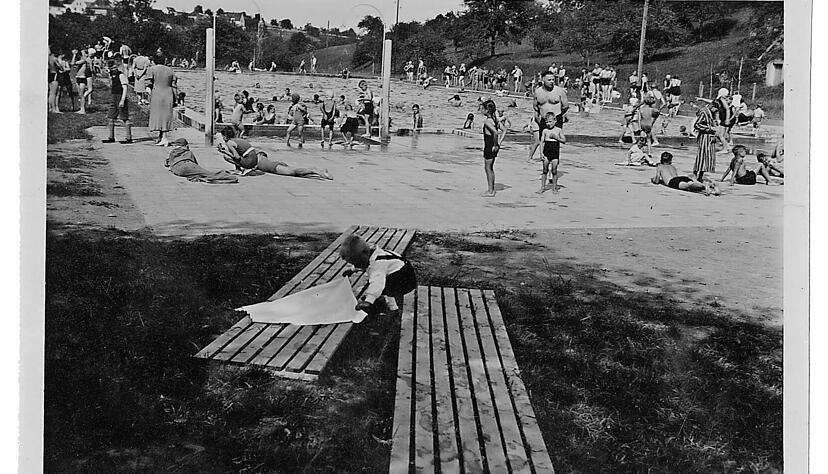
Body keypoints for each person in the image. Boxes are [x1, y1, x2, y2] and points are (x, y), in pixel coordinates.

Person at [340, 233, 417, 314]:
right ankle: (390, 304)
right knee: (381, 283)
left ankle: (391, 307)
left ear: (365, 254)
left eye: (356, 263)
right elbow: (363, 264)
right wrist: (352, 270)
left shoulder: (378, 264)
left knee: (380, 286)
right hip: (399, 271)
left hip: (405, 280)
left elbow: (377, 283)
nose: (356, 265)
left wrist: (369, 300)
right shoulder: (371, 254)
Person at [217, 127, 332, 179]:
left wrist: (225, 152)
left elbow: (237, 157)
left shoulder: (230, 143)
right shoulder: (237, 140)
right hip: (260, 158)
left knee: (291, 172)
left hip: (259, 162)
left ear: (225, 136)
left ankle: (314, 170)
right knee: (291, 171)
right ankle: (314, 172)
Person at [165, 138, 239, 184]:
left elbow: (167, 162)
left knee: (204, 174)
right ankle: (229, 177)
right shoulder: (188, 152)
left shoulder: (172, 153)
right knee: (208, 174)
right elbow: (194, 163)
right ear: (186, 146)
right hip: (188, 166)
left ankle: (224, 175)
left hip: (177, 170)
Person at [652, 152, 720, 195]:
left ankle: (705, 186)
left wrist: (654, 180)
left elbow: (657, 181)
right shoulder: (672, 167)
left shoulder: (659, 166)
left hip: (672, 182)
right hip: (680, 178)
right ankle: (709, 185)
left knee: (688, 186)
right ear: (670, 160)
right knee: (691, 183)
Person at [101, 54, 133, 144]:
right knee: (111, 117)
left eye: (114, 67)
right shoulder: (112, 76)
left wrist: (122, 100)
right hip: (114, 96)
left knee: (124, 117)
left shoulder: (121, 75)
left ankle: (129, 137)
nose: (112, 69)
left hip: (120, 96)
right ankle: (111, 137)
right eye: (111, 68)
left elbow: (125, 88)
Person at [147, 54, 178, 146]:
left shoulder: (152, 69)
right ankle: (161, 137)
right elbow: (174, 85)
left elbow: (148, 84)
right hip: (168, 93)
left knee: (158, 115)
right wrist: (175, 98)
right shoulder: (170, 70)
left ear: (154, 61)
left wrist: (149, 94)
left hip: (157, 93)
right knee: (165, 115)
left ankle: (164, 138)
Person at [533, 70, 569, 145]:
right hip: (544, 119)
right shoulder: (538, 91)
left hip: (556, 118)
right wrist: (540, 115)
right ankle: (542, 153)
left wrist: (557, 115)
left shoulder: (559, 91)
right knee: (543, 140)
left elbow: (566, 106)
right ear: (543, 80)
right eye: (549, 80)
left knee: (554, 142)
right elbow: (535, 106)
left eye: (553, 80)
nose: (552, 82)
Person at [537, 112, 566, 194]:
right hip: (546, 152)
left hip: (555, 153)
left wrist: (556, 137)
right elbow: (541, 142)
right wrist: (541, 153)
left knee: (554, 170)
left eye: (550, 122)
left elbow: (564, 140)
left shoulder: (558, 130)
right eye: (546, 122)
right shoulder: (545, 131)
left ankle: (554, 188)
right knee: (545, 170)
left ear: (555, 121)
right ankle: (542, 187)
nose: (548, 124)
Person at [481, 100, 505, 197]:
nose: (481, 110)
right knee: (490, 168)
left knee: (488, 168)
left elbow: (495, 132)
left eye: (482, 108)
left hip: (489, 146)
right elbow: (504, 130)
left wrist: (495, 144)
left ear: (487, 110)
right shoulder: (495, 120)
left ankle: (491, 191)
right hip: (493, 146)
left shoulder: (487, 121)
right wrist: (499, 143)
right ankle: (491, 189)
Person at [692, 99, 718, 181]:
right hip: (704, 136)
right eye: (715, 109)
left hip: (710, 137)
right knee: (702, 156)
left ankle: (701, 175)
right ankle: (695, 173)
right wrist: (709, 128)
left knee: (707, 157)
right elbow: (697, 124)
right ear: (712, 106)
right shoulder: (704, 112)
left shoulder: (711, 113)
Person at [71, 49, 91, 114]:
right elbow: (72, 63)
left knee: (81, 94)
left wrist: (77, 54)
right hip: (78, 77)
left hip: (82, 77)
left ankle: (83, 109)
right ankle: (81, 108)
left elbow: (74, 63)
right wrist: (74, 55)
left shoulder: (85, 60)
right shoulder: (80, 59)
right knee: (80, 94)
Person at [48, 46, 61, 113]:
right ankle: (54, 108)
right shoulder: (54, 59)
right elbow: (61, 67)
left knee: (50, 93)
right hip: (54, 74)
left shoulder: (48, 58)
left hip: (49, 74)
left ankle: (50, 108)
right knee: (54, 93)